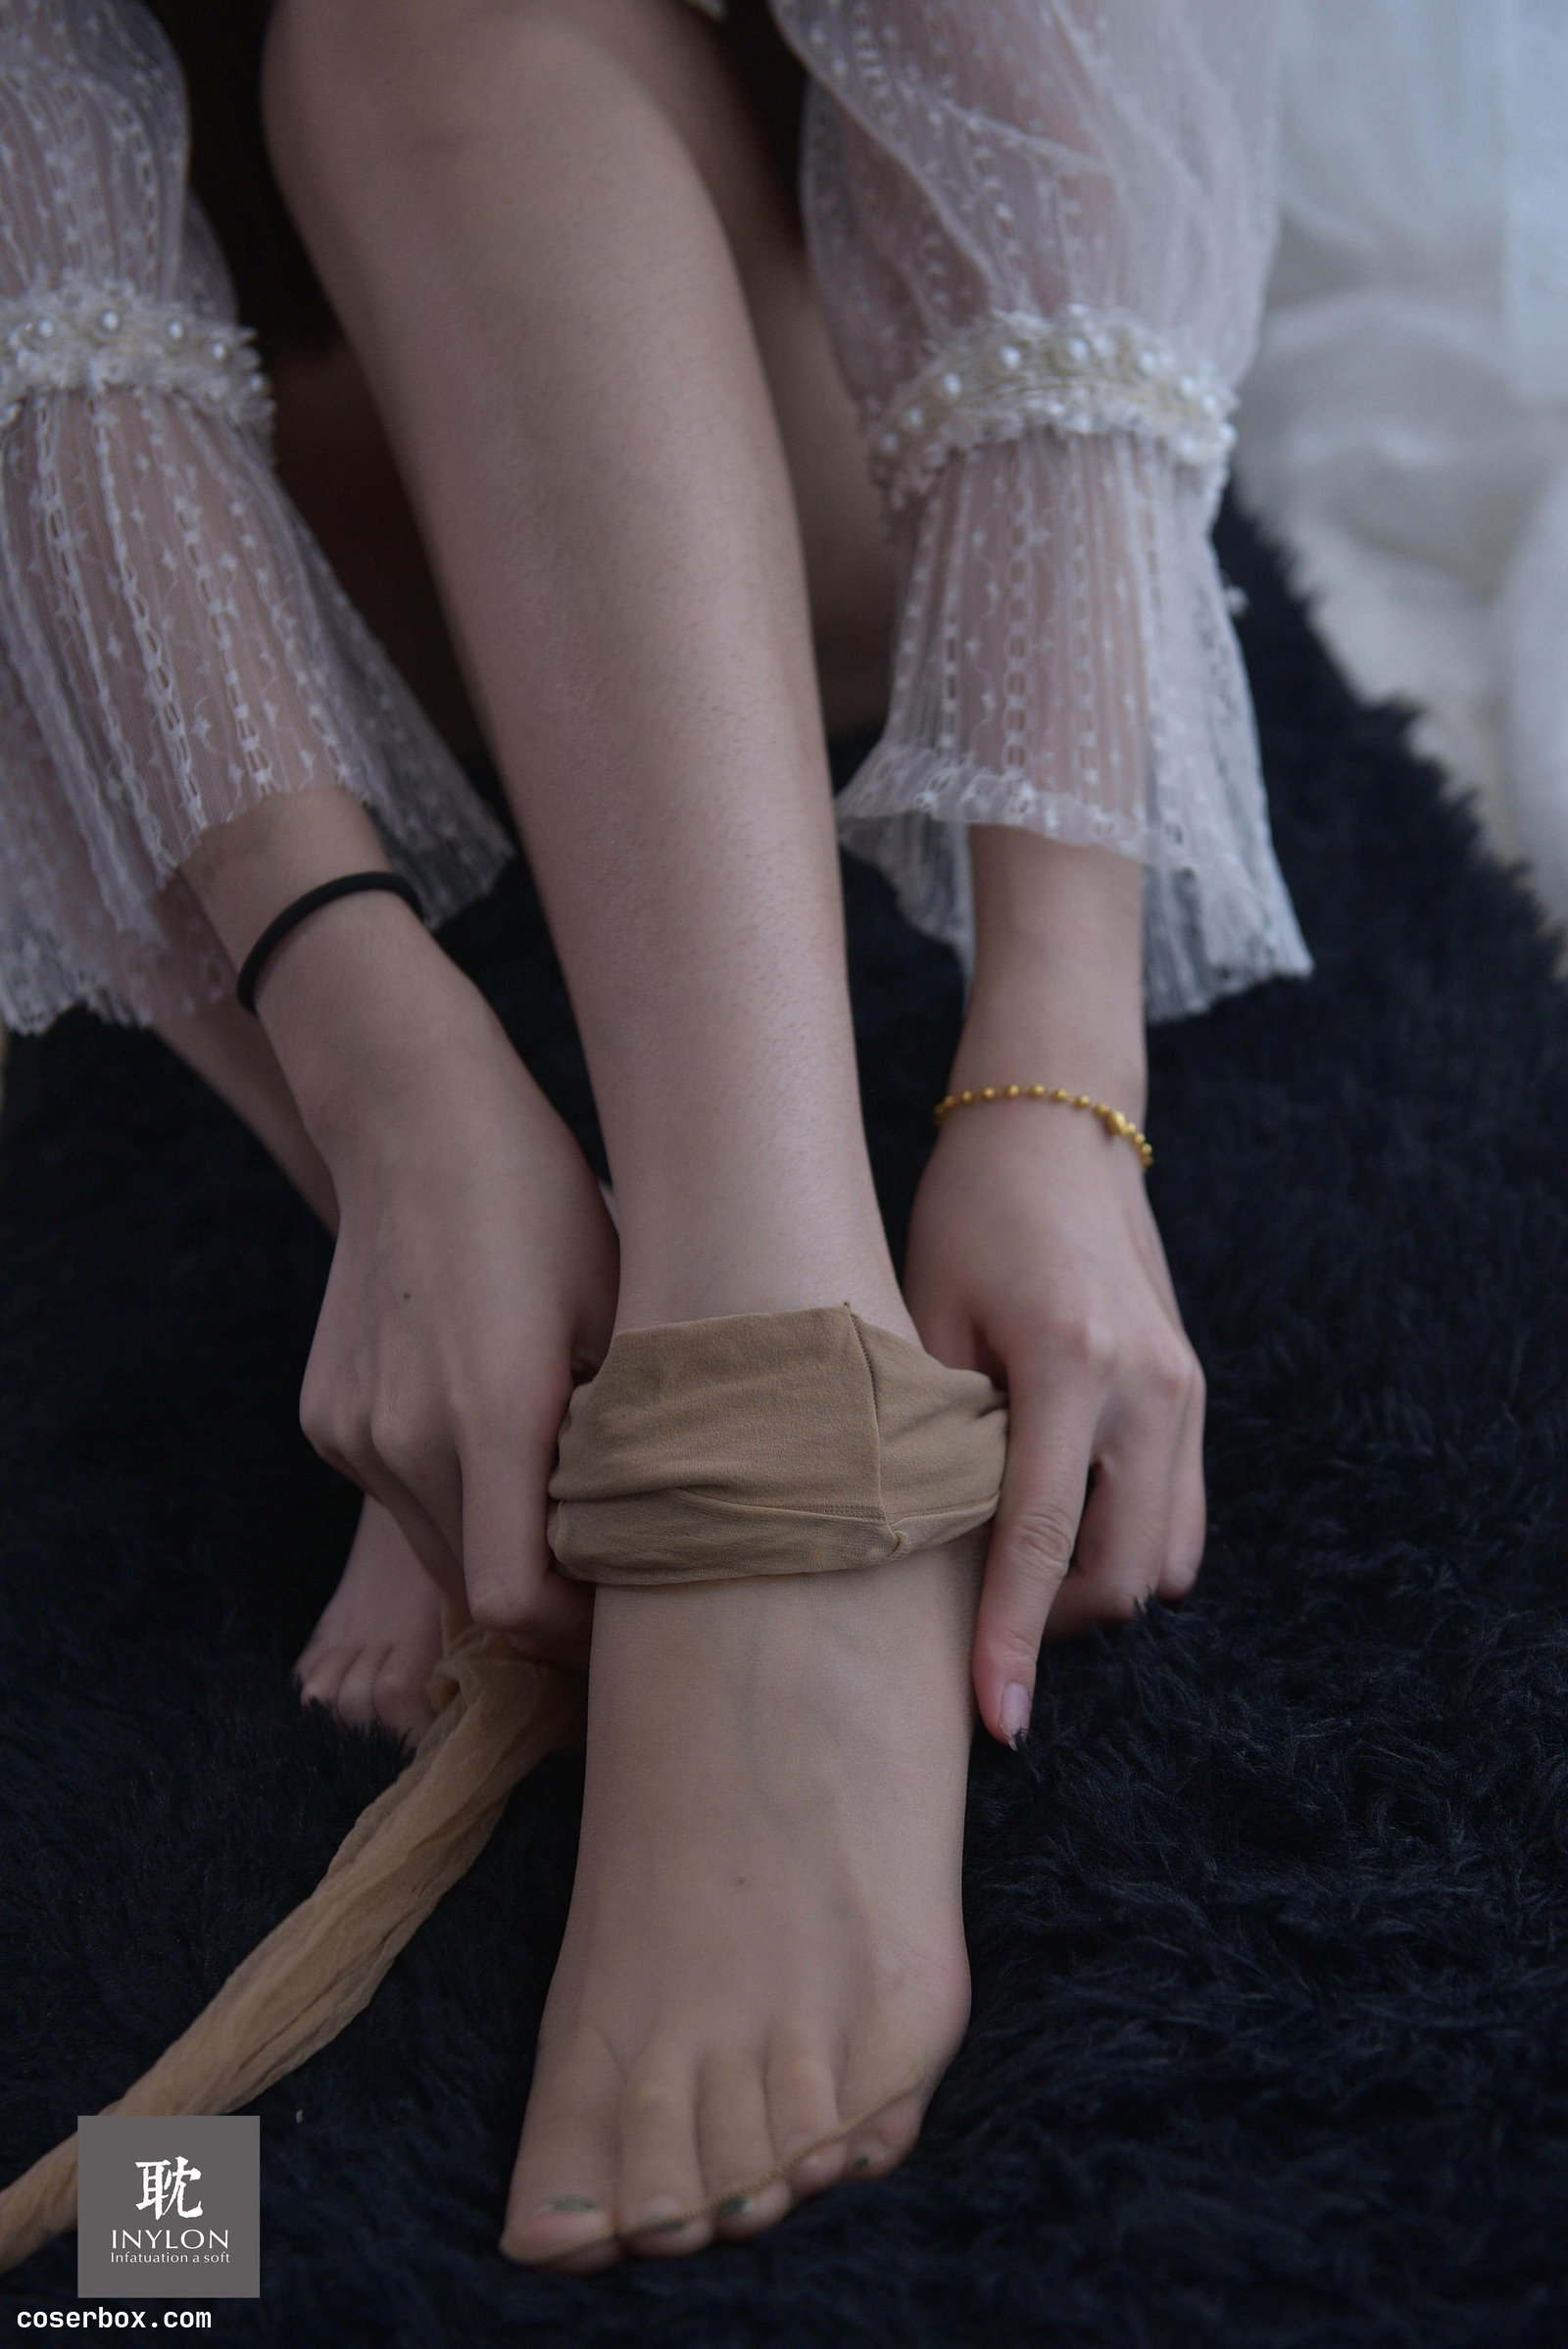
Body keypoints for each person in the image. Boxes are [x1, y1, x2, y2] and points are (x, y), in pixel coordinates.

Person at [1, 0, 1306, 2273]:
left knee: (410, 31)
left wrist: (1053, 1067)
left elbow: (1041, 107)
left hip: (750, 377)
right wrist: (384, 1091)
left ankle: (772, 1351)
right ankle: (533, 1318)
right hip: (273, 530)